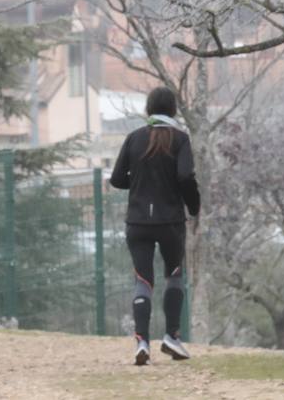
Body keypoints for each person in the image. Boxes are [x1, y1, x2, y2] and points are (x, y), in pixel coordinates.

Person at [109, 85, 201, 365]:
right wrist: (194, 206)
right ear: (173, 109)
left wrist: (137, 183)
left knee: (143, 280)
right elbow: (185, 176)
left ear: (148, 109)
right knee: (173, 275)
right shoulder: (181, 139)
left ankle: (142, 343)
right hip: (170, 221)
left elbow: (116, 179)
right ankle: (172, 337)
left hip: (137, 221)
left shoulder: (134, 138)